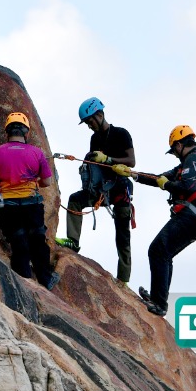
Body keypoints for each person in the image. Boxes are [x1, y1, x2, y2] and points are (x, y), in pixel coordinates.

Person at [132, 125, 196, 317]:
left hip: (194, 216)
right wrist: (133, 175)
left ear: (179, 145)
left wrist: (166, 185)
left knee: (158, 250)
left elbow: (186, 186)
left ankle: (159, 303)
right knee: (164, 253)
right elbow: (160, 178)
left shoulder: (194, 159)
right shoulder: (189, 162)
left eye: (174, 151)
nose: (175, 155)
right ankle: (157, 298)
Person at [56, 97, 136, 286]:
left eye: (91, 121)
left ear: (100, 115)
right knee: (75, 199)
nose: (89, 126)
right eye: (87, 123)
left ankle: (123, 280)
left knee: (122, 236)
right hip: (101, 188)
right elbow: (94, 166)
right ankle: (73, 241)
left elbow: (131, 161)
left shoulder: (120, 134)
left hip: (119, 188)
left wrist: (108, 159)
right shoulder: (95, 139)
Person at [0, 112, 60, 290]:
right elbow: (47, 182)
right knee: (38, 240)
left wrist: (0, 179)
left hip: (7, 207)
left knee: (18, 242)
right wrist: (33, 181)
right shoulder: (37, 153)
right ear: (26, 133)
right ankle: (45, 280)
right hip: (31, 204)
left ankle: (23, 282)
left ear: (7, 132)